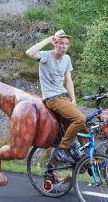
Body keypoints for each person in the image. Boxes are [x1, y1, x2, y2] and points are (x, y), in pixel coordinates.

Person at [25, 30, 87, 163]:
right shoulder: (46, 56)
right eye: (60, 43)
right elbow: (29, 53)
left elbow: (68, 80)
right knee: (80, 119)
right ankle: (62, 150)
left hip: (64, 97)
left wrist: (74, 99)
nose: (63, 46)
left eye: (66, 44)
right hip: (52, 98)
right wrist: (48, 39)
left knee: (84, 127)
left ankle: (86, 158)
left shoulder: (67, 59)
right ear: (55, 44)